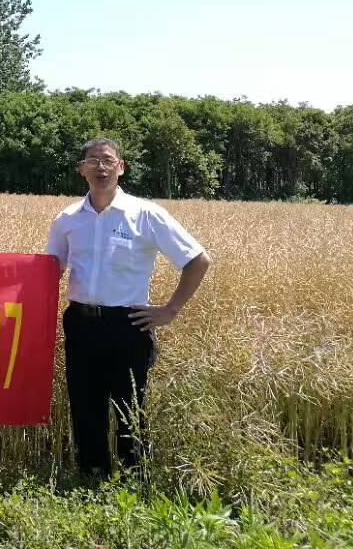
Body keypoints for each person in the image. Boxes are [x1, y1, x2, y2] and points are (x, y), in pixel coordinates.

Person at [45, 137, 211, 477]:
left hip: (129, 325)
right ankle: (92, 477)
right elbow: (49, 271)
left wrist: (170, 310)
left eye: (108, 160)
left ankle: (134, 481)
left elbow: (197, 260)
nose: (101, 167)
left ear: (121, 168)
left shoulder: (145, 214)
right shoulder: (67, 219)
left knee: (130, 407)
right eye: (93, 160)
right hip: (80, 323)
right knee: (85, 405)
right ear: (81, 170)